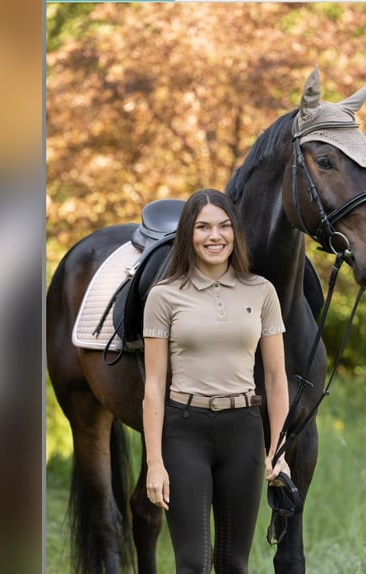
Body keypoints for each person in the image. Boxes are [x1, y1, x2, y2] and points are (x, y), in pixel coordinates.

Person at [142, 188, 290, 573]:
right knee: (192, 563)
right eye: (203, 226)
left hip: (243, 429)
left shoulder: (261, 292)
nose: (215, 236)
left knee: (233, 563)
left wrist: (279, 449)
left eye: (224, 226)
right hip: (184, 431)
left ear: (235, 233)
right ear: (188, 234)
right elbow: (153, 386)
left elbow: (275, 379)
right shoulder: (164, 296)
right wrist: (154, 462)